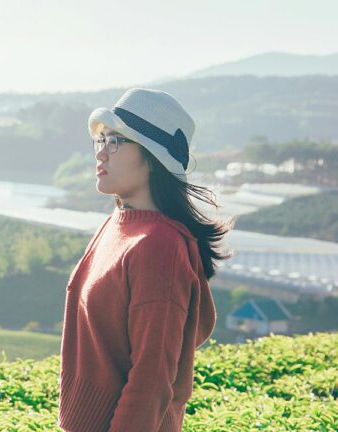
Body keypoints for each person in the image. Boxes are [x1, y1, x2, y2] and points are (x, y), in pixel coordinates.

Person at [57, 88, 234, 432]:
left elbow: (152, 380)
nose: (101, 153)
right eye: (101, 140)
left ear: (153, 158)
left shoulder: (159, 246)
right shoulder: (116, 223)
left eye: (116, 141)